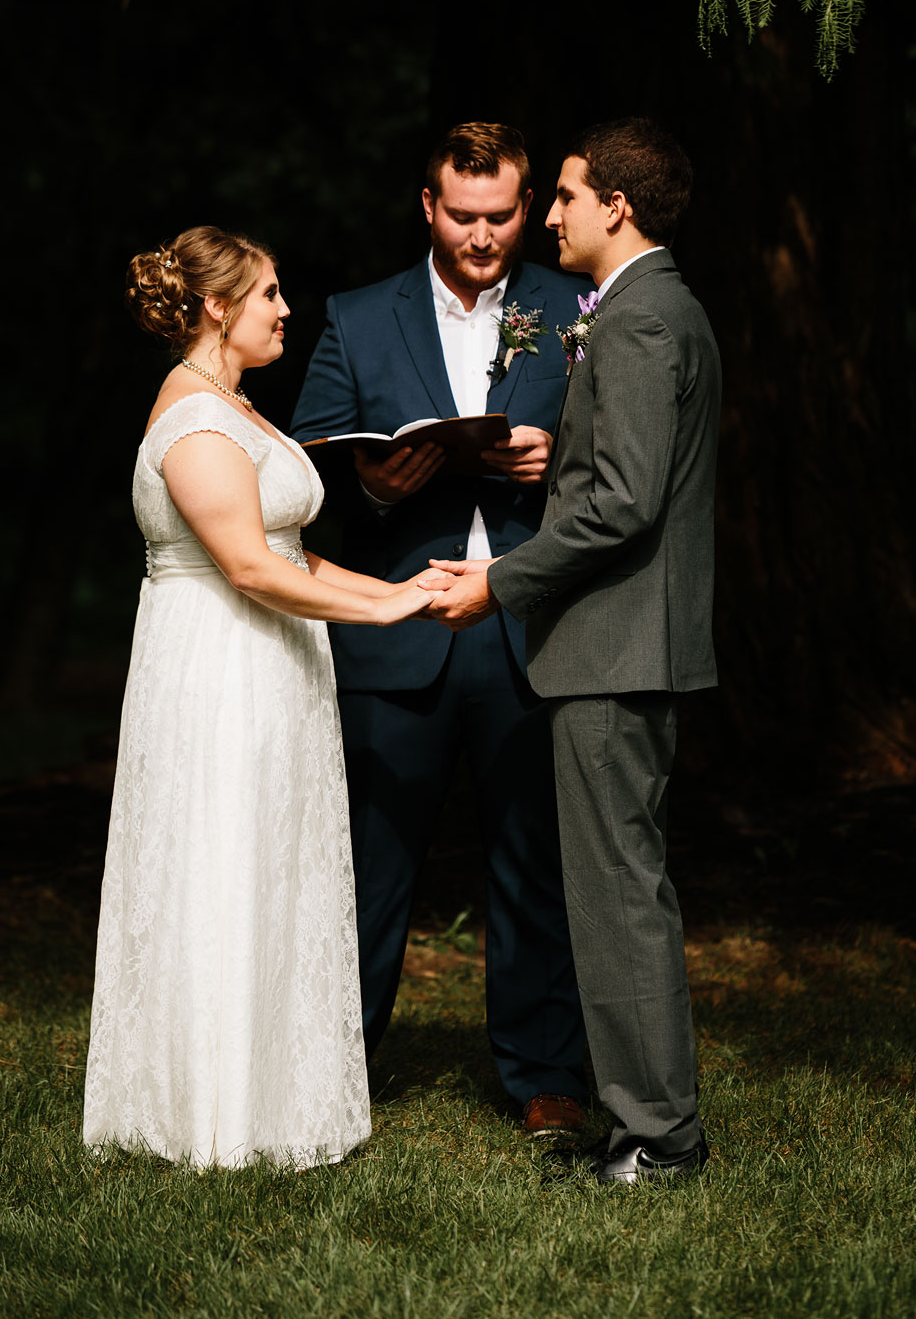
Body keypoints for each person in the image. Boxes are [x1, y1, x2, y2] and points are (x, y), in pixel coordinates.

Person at [83, 225, 439, 1170]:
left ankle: (279, 1090)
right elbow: (245, 567)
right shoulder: (195, 424)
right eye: (271, 293)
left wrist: (404, 597)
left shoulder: (236, 408)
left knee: (274, 861)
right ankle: (216, 1115)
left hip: (274, 660)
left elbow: (290, 552)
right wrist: (383, 614)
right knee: (223, 862)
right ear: (216, 307)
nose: (287, 309)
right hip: (222, 667)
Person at [425, 118, 721, 1183]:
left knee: (616, 899)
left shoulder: (638, 322)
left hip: (614, 649)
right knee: (613, 893)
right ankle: (646, 1121)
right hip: (618, 647)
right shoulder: (646, 310)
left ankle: (660, 1138)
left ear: (617, 208)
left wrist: (501, 580)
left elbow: (625, 506)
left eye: (562, 193)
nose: (547, 214)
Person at [290, 123, 588, 1134]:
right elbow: (302, 464)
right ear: (427, 207)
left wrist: (562, 459)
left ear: (528, 201)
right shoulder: (357, 315)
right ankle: (336, 1069)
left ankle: (544, 1072)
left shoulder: (570, 304)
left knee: (532, 858)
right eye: (462, 217)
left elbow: (626, 453)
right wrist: (370, 483)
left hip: (525, 620)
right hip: (396, 620)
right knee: (370, 864)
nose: (482, 236)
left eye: (501, 216)